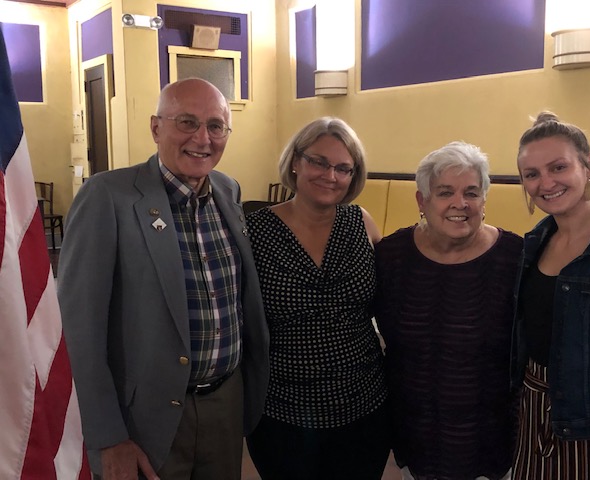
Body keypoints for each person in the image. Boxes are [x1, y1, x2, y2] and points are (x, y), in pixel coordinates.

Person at [57, 78, 269, 480]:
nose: (202, 138)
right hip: (144, 418)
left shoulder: (228, 190)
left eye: (216, 126)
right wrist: (106, 436)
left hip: (225, 403)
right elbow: (78, 332)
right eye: (187, 122)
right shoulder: (107, 197)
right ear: (156, 128)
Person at [245, 117, 389, 479]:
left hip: (364, 405)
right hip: (283, 412)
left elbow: (395, 299)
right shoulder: (255, 231)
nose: (331, 175)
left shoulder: (361, 222)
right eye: (319, 162)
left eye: (343, 168)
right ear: (295, 161)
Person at [375, 141, 521, 480]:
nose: (461, 203)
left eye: (472, 192)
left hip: (493, 446)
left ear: (485, 199)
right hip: (414, 441)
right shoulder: (391, 256)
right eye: (445, 192)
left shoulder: (516, 258)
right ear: (422, 201)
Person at [511, 112, 590, 479]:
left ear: (588, 165)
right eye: (532, 174)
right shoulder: (534, 242)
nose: (545, 183)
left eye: (558, 167)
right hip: (532, 412)